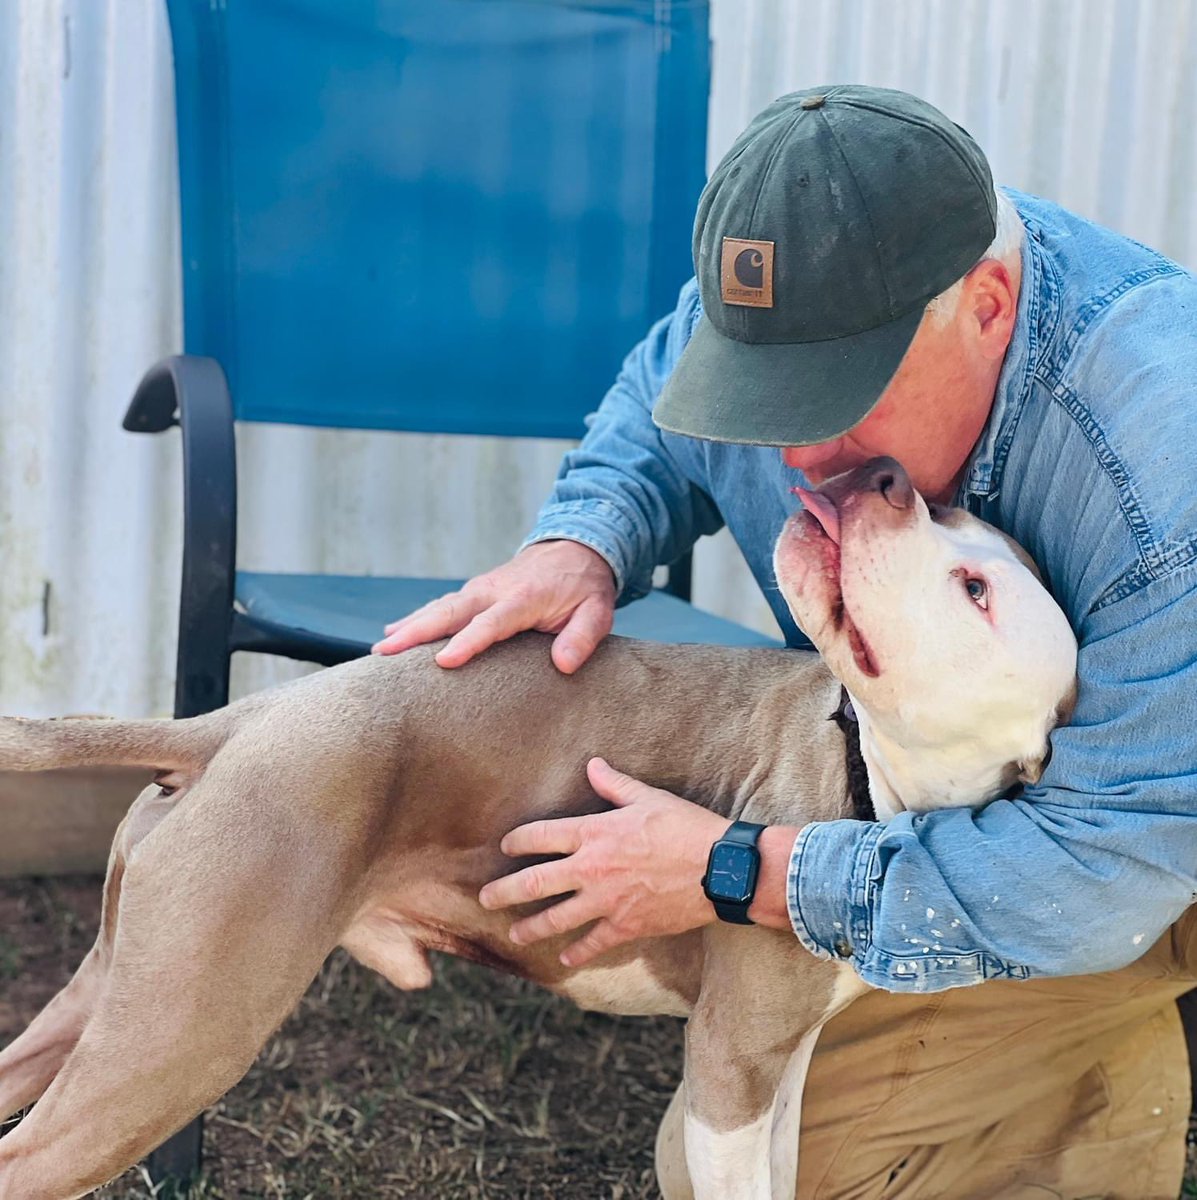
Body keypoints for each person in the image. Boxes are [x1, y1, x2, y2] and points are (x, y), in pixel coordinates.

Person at [374, 86, 1197, 1197]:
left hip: (1135, 851)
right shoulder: (815, 293)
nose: (799, 453)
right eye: (765, 393)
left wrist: (742, 869)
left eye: (839, 397)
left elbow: (1111, 865)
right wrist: (587, 537)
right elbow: (664, 388)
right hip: (952, 833)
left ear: (989, 305)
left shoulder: (1166, 472)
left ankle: (1104, 1051)